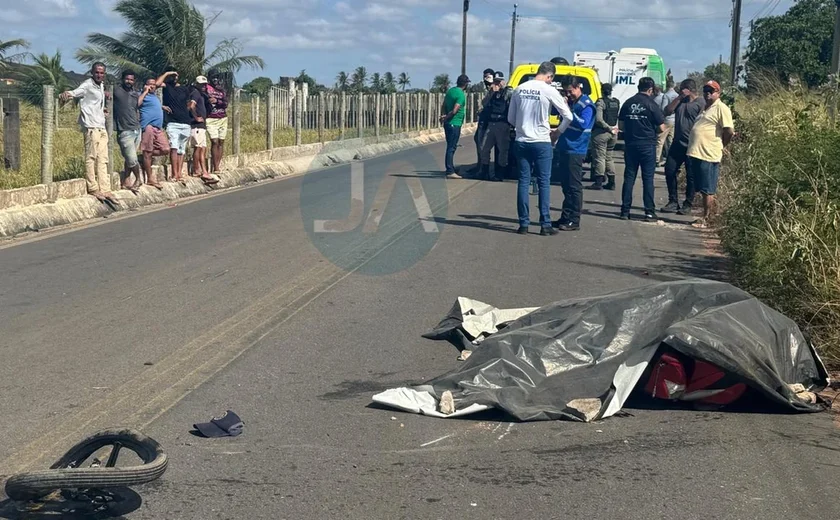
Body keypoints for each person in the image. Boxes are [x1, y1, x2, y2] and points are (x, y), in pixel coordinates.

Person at [507, 60, 573, 236]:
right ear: (549, 76)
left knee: (523, 181)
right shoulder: (549, 90)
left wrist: (522, 126)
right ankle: (545, 224)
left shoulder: (519, 89)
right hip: (542, 141)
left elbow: (511, 118)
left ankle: (523, 224)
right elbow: (568, 116)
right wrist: (557, 133)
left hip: (522, 140)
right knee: (544, 182)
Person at [60, 62, 118, 205]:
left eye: (102, 73)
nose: (99, 75)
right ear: (92, 72)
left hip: (101, 126)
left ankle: (105, 189)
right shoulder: (87, 85)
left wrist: (103, 108)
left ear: (104, 74)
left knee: (103, 158)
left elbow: (94, 102)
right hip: (91, 126)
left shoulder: (101, 85)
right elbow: (75, 92)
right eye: (97, 72)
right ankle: (93, 188)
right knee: (91, 157)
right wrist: (67, 94)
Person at [686, 80, 734, 228]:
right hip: (697, 153)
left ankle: (707, 219)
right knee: (702, 188)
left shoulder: (721, 108)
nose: (708, 93)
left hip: (709, 153)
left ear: (718, 93)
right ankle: (704, 216)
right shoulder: (705, 107)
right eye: (705, 90)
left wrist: (722, 144)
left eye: (711, 91)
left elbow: (729, 130)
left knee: (708, 189)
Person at [618, 76, 665, 221]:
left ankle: (625, 211)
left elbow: (621, 126)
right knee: (648, 179)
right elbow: (662, 128)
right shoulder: (652, 104)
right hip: (647, 145)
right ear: (650, 89)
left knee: (629, 178)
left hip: (631, 145)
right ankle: (649, 212)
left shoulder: (628, 103)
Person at [553, 75, 595, 231]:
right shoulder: (571, 102)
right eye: (566, 92)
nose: (568, 94)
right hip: (564, 147)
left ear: (578, 87)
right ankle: (565, 217)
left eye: (570, 91)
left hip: (576, 149)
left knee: (574, 186)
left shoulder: (586, 105)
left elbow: (583, 123)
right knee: (566, 186)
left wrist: (568, 110)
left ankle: (574, 219)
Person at [660, 78, 705, 214]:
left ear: (688, 90)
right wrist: (679, 98)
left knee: (691, 175)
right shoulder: (680, 102)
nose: (679, 92)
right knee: (670, 170)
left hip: (692, 145)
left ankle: (688, 203)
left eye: (681, 90)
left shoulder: (701, 103)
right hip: (677, 143)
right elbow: (667, 111)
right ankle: (673, 201)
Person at [477, 71, 510, 182]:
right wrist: (491, 92)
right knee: (484, 148)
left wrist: (503, 89)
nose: (497, 84)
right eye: (495, 81)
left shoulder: (508, 92)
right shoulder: (491, 93)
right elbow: (484, 103)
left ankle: (500, 174)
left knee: (502, 150)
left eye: (499, 81)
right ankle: (484, 171)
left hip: (502, 124)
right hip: (491, 124)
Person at [586, 82, 620, 191]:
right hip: (613, 134)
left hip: (602, 133)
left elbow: (599, 120)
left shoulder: (601, 102)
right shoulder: (616, 102)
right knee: (609, 158)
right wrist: (613, 129)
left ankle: (598, 182)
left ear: (601, 91)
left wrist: (608, 128)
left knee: (599, 157)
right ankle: (611, 182)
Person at [113, 69, 142, 191]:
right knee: (132, 158)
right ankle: (138, 179)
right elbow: (104, 95)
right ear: (122, 79)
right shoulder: (116, 90)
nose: (129, 81)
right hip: (124, 130)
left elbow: (137, 107)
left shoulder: (135, 94)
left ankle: (126, 180)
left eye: (131, 79)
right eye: (127, 79)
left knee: (129, 157)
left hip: (136, 129)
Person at [137, 78, 167, 190]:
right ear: (145, 85)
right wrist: (145, 91)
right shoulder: (142, 94)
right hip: (148, 127)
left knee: (165, 149)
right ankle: (150, 178)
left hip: (157, 128)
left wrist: (162, 107)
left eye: (154, 85)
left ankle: (145, 155)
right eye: (150, 84)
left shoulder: (155, 96)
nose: (152, 86)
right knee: (148, 152)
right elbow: (138, 103)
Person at [440, 74, 470, 179]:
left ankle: (450, 167)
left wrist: (443, 116)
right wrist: (447, 117)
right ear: (465, 84)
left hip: (448, 124)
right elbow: (455, 110)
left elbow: (443, 105)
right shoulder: (461, 94)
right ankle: (450, 171)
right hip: (454, 123)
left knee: (450, 146)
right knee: (451, 147)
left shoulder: (450, 91)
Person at [189, 76, 216, 183]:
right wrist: (196, 117)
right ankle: (197, 170)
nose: (203, 86)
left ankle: (203, 170)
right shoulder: (195, 93)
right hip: (197, 125)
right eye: (201, 84)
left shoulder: (202, 94)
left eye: (205, 84)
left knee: (202, 148)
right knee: (198, 148)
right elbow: (192, 106)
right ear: (197, 84)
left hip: (202, 125)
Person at [473, 68, 496, 167]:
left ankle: (483, 167)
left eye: (488, 76)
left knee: (483, 144)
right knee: (478, 141)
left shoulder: (494, 89)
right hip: (484, 119)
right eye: (485, 76)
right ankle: (480, 165)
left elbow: (486, 102)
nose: (485, 79)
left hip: (489, 121)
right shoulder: (488, 89)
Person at [206, 73, 228, 173]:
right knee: (214, 141)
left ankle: (218, 165)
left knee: (221, 142)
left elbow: (226, 103)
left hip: (222, 118)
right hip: (211, 118)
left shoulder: (221, 90)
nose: (215, 80)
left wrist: (217, 101)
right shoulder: (206, 88)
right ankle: (215, 167)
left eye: (217, 78)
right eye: (213, 78)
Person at [656, 78, 678, 166]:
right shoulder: (677, 95)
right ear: (674, 86)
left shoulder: (666, 95)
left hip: (667, 120)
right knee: (670, 141)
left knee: (660, 140)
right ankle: (670, 160)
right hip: (674, 120)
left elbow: (663, 108)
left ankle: (656, 159)